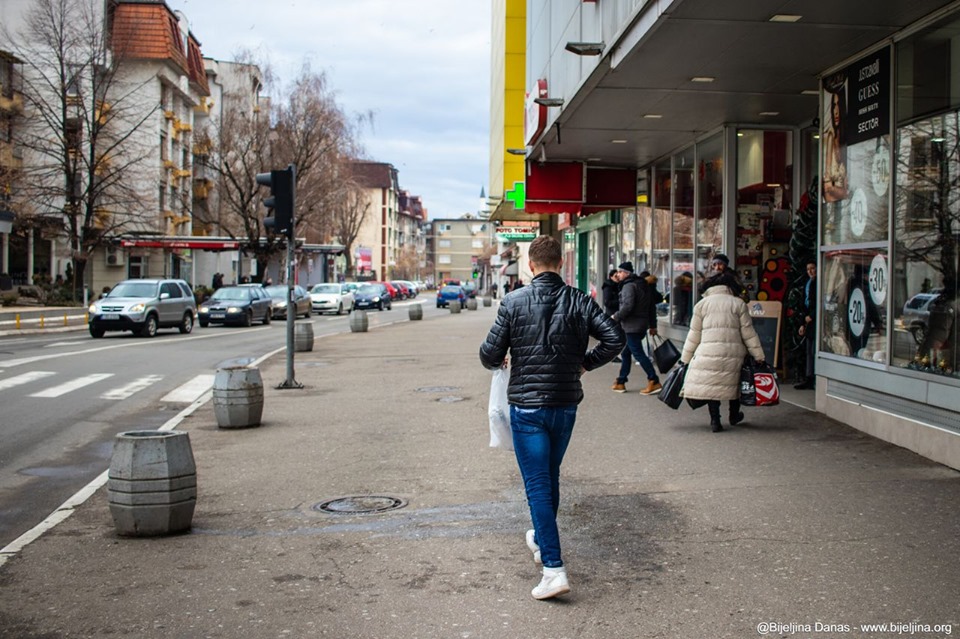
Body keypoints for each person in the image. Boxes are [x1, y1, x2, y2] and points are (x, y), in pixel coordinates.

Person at [479, 235, 624, 601]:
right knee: (549, 476)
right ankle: (542, 541)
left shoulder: (513, 302)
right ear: (560, 263)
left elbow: (488, 354)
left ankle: (553, 569)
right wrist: (584, 365)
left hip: (527, 408)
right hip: (565, 405)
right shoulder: (580, 300)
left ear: (531, 265)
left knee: (538, 485)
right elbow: (615, 338)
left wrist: (504, 356)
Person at [679, 270, 766, 432]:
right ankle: (734, 415)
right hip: (734, 353)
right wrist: (759, 355)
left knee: (713, 386)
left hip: (708, 352)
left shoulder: (701, 305)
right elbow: (748, 333)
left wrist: (685, 358)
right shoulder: (738, 304)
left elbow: (694, 335)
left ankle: (715, 420)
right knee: (735, 383)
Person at [610, 261, 661, 395]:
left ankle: (654, 380)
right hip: (640, 325)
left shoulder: (629, 286)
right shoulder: (643, 285)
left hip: (631, 326)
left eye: (620, 272)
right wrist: (653, 325)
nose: (618, 274)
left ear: (627, 273)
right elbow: (651, 307)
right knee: (626, 353)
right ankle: (621, 381)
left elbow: (627, 306)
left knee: (638, 353)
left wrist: (615, 317)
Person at [795, 262, 817, 389]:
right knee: (809, 350)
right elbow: (804, 304)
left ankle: (814, 377)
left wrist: (812, 316)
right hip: (808, 320)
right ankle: (809, 377)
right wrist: (802, 323)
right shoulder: (807, 283)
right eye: (808, 269)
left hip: (815, 320)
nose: (810, 271)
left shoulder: (818, 283)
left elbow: (820, 302)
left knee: (814, 350)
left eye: (812, 268)